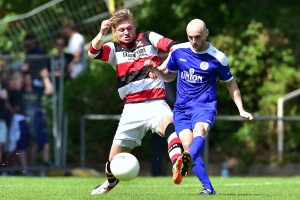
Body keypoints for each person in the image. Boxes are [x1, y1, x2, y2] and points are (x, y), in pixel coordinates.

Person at [144, 19, 254, 195]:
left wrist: (241, 109)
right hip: (181, 109)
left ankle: (183, 160)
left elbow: (231, 84)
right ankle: (208, 188)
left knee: (200, 131)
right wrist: (156, 71)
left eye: (197, 37)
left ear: (206, 33)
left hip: (204, 107)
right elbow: (169, 77)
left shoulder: (217, 58)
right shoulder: (179, 51)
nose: (194, 41)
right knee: (188, 145)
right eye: (190, 37)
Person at [88, 8, 184, 195]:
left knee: (170, 124)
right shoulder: (113, 49)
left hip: (156, 102)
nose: (126, 32)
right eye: (122, 30)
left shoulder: (148, 37)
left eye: (129, 28)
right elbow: (92, 52)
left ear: (135, 28)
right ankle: (110, 183)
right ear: (115, 32)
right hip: (131, 110)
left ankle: (178, 163)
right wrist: (101, 33)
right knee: (112, 164)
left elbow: (175, 48)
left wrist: (160, 67)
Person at [23, 68, 53, 168]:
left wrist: (45, 77)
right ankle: (28, 168)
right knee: (30, 146)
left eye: (29, 79)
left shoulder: (36, 90)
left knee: (44, 142)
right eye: (25, 79)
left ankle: (45, 162)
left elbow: (49, 91)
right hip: (25, 121)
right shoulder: (21, 91)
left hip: (38, 120)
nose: (27, 81)